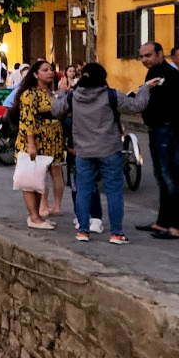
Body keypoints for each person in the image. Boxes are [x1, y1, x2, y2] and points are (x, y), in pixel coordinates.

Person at [53, 63, 154, 245]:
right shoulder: (111, 95)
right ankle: (116, 234)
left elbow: (55, 111)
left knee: (84, 191)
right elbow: (137, 105)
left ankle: (83, 231)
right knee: (114, 191)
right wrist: (145, 88)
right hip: (109, 150)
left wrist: (61, 92)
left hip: (83, 151)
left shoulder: (72, 96)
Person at [137, 41, 179, 240]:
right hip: (155, 129)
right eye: (142, 56)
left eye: (148, 55)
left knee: (171, 177)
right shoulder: (152, 74)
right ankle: (162, 222)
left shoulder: (173, 75)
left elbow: (178, 105)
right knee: (160, 176)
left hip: (168, 129)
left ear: (160, 53)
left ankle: (178, 226)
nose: (145, 60)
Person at [14, 59, 66, 228]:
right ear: (35, 74)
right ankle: (34, 217)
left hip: (52, 140)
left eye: (51, 69)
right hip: (36, 140)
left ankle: (36, 216)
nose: (50, 72)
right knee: (31, 178)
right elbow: (27, 120)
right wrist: (31, 144)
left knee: (39, 179)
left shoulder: (50, 93)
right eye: (45, 70)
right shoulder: (30, 94)